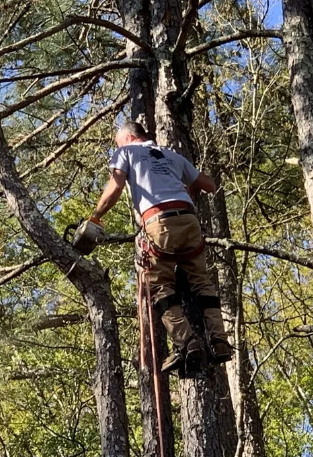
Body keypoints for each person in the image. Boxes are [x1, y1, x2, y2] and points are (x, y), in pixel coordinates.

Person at [89, 121, 233, 373]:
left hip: (159, 222)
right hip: (189, 220)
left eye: (118, 142)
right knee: (202, 283)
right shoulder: (172, 156)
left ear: (129, 137)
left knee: (159, 286)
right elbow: (209, 185)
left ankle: (186, 342)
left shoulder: (126, 152)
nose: (118, 146)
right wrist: (184, 188)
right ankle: (219, 340)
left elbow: (116, 185)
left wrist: (96, 216)